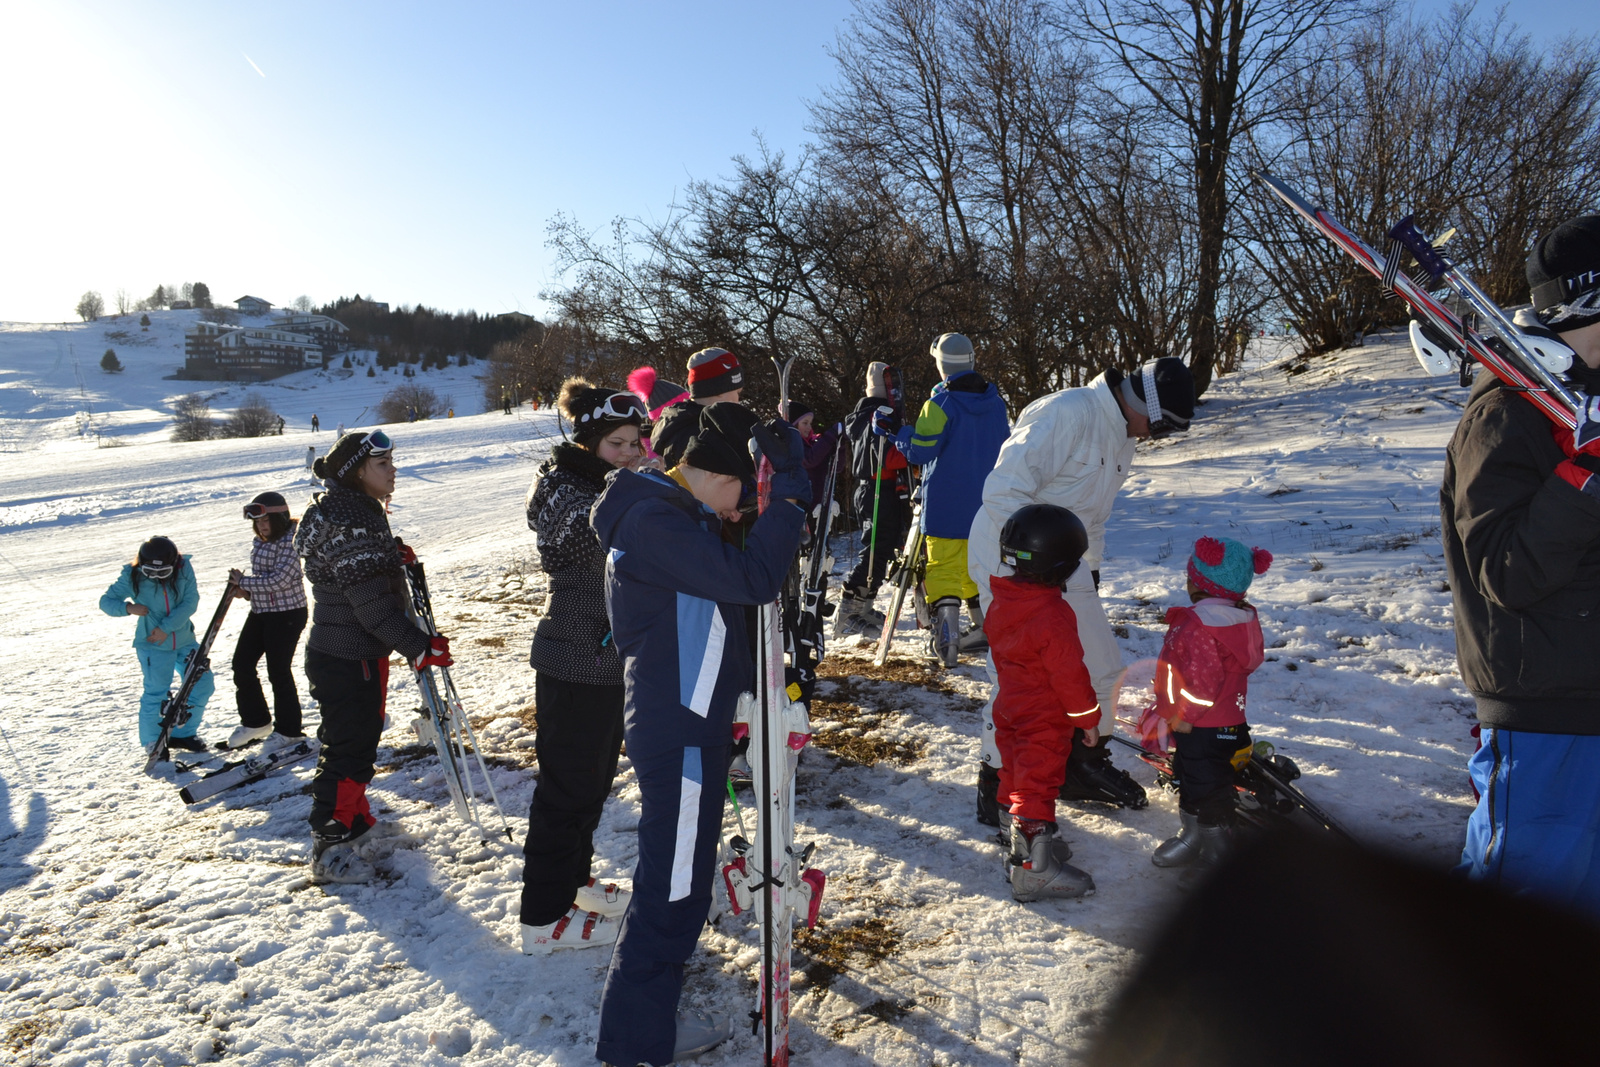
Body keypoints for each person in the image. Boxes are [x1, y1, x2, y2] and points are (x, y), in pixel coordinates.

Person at [589, 411, 810, 1067]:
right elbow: (752, 580)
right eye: (740, 491)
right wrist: (790, 494)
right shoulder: (657, 521)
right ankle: (633, 1040)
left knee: (679, 882)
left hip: (691, 725)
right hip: (677, 732)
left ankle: (644, 1022)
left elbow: (710, 612)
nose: (741, 509)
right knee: (674, 886)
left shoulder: (672, 516)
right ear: (713, 475)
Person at [1445, 215, 1600, 917]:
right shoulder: (1506, 412)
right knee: (1518, 934)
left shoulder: (1586, 407)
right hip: (1544, 712)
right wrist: (1587, 477)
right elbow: (1504, 571)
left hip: (1588, 700)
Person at [968, 356, 1197, 823]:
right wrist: (1023, 568)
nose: (1156, 437)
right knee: (1019, 681)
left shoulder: (1123, 437)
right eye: (1162, 427)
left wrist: (1087, 573)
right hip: (1008, 560)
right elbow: (1003, 491)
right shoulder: (1069, 413)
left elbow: (1092, 517)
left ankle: (1079, 766)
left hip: (1062, 565)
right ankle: (997, 783)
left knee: (1102, 670)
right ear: (1145, 407)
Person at [519, 379, 648, 954]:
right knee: (565, 792)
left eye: (635, 443)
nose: (628, 453)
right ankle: (542, 919)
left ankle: (572, 886)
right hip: (575, 661)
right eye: (617, 443)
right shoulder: (567, 493)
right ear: (590, 440)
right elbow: (593, 535)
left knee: (591, 785)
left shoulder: (599, 484)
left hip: (601, 661)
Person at [295, 430, 451, 884]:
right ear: (358, 472)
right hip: (348, 655)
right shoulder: (351, 521)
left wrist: (388, 558)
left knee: (358, 740)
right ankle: (330, 843)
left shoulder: (356, 513)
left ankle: (356, 823)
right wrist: (419, 645)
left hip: (351, 653)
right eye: (383, 464)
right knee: (349, 748)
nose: (393, 470)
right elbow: (371, 606)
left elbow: (362, 579)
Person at [985, 504, 1100, 901]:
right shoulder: (1052, 613)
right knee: (1037, 783)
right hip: (1043, 715)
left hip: (1010, 706)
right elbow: (1068, 673)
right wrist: (1088, 718)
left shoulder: (1004, 600)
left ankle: (1019, 843)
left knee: (1014, 773)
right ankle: (1036, 870)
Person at [873, 333, 1010, 665]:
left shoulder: (940, 405)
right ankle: (984, 630)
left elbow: (920, 450)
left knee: (943, 568)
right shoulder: (996, 403)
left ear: (941, 364)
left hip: (946, 503)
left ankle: (947, 642)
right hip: (989, 506)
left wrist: (895, 431)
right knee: (977, 568)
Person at [1145, 536, 1270, 868]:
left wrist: (1183, 714)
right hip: (1228, 724)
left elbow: (1202, 680)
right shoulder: (1237, 618)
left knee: (1207, 788)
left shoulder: (1200, 626)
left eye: (1190, 577)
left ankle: (1218, 849)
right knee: (1192, 776)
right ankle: (1193, 835)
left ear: (1200, 584)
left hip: (1201, 725)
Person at [98, 536, 213, 755]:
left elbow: (190, 601)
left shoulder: (184, 567)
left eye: (163, 573)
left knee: (203, 683)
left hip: (184, 640)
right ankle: (152, 741)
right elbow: (106, 601)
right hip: (153, 646)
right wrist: (128, 608)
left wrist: (166, 628)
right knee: (157, 692)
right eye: (151, 573)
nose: (157, 578)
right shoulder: (132, 575)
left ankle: (183, 734)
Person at [224, 492, 309, 750]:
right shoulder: (261, 541)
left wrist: (244, 582)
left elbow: (280, 580)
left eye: (266, 521)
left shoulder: (292, 540)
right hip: (262, 612)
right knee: (242, 663)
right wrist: (246, 592)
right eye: (257, 522)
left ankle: (289, 730)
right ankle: (256, 722)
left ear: (280, 517)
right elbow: (265, 581)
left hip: (287, 614)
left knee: (278, 671)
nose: (261, 526)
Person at [839, 362, 910, 634]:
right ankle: (849, 610)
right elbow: (882, 458)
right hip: (877, 489)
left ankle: (864, 605)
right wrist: (910, 450)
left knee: (882, 547)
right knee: (875, 549)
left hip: (877, 489)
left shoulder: (863, 415)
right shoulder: (877, 416)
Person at [649, 347, 745, 469]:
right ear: (720, 390)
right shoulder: (700, 434)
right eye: (737, 392)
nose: (738, 399)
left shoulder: (681, 424)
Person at [785, 399, 845, 513]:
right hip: (802, 505)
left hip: (820, 504)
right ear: (794, 424)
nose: (809, 427)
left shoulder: (812, 444)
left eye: (810, 423)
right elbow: (809, 460)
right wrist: (831, 434)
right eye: (805, 423)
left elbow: (836, 467)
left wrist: (840, 444)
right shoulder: (791, 445)